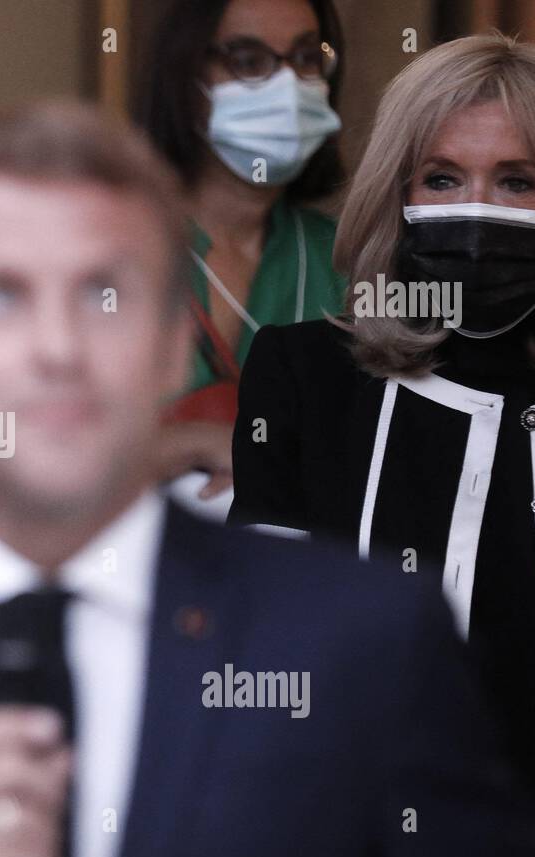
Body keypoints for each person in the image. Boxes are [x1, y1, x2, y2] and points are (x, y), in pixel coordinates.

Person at [0, 101, 535, 857]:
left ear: (167, 347)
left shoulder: (369, 644)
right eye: (0, 297)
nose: (57, 349)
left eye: (102, 295)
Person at [231, 34, 535, 857]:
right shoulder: (304, 379)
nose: (476, 209)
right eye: (442, 178)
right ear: (395, 195)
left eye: (518, 181)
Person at [136, 0, 347, 513]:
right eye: (249, 61)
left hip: (299, 575)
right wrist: (175, 446)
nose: (288, 86)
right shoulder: (99, 247)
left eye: (305, 58)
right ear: (186, 74)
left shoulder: (353, 259)